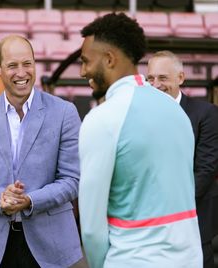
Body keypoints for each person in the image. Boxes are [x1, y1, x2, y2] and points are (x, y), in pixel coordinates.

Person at [77, 13, 203, 268]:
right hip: (190, 259)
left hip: (132, 260)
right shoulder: (175, 109)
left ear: (109, 59)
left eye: (86, 62)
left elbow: (91, 228)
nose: (82, 71)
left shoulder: (102, 119)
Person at [0, 35, 85, 268]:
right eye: (12, 65)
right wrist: (0, 198)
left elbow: (72, 180)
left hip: (54, 250)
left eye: (27, 63)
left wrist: (29, 200)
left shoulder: (65, 113)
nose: (22, 73)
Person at [147, 50, 218, 268]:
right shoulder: (141, 115)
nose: (156, 84)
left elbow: (205, 170)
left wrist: (167, 208)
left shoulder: (206, 113)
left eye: (163, 78)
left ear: (181, 78)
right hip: (149, 228)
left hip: (193, 224)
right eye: (150, 78)